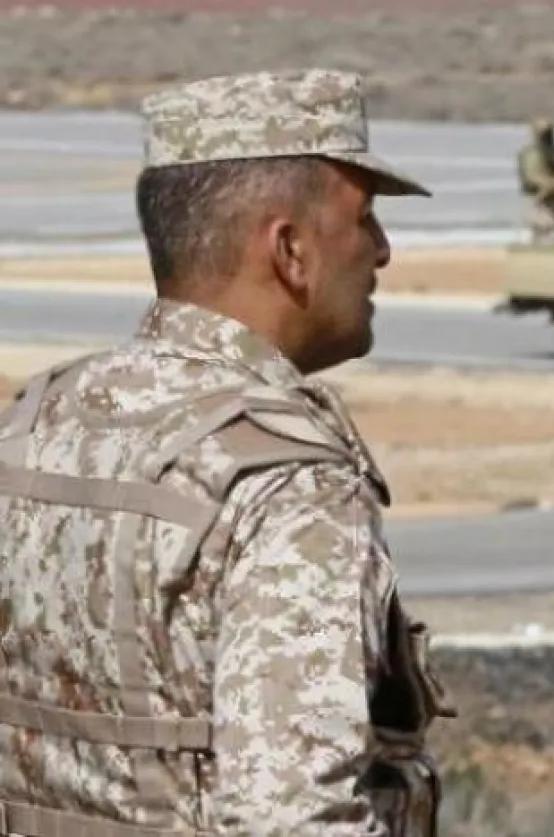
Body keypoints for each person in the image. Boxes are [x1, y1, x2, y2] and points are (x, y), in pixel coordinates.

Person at [0, 68, 456, 835]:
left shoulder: (40, 421)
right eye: (365, 219)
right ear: (290, 250)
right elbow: (294, 817)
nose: (381, 250)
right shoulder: (286, 484)